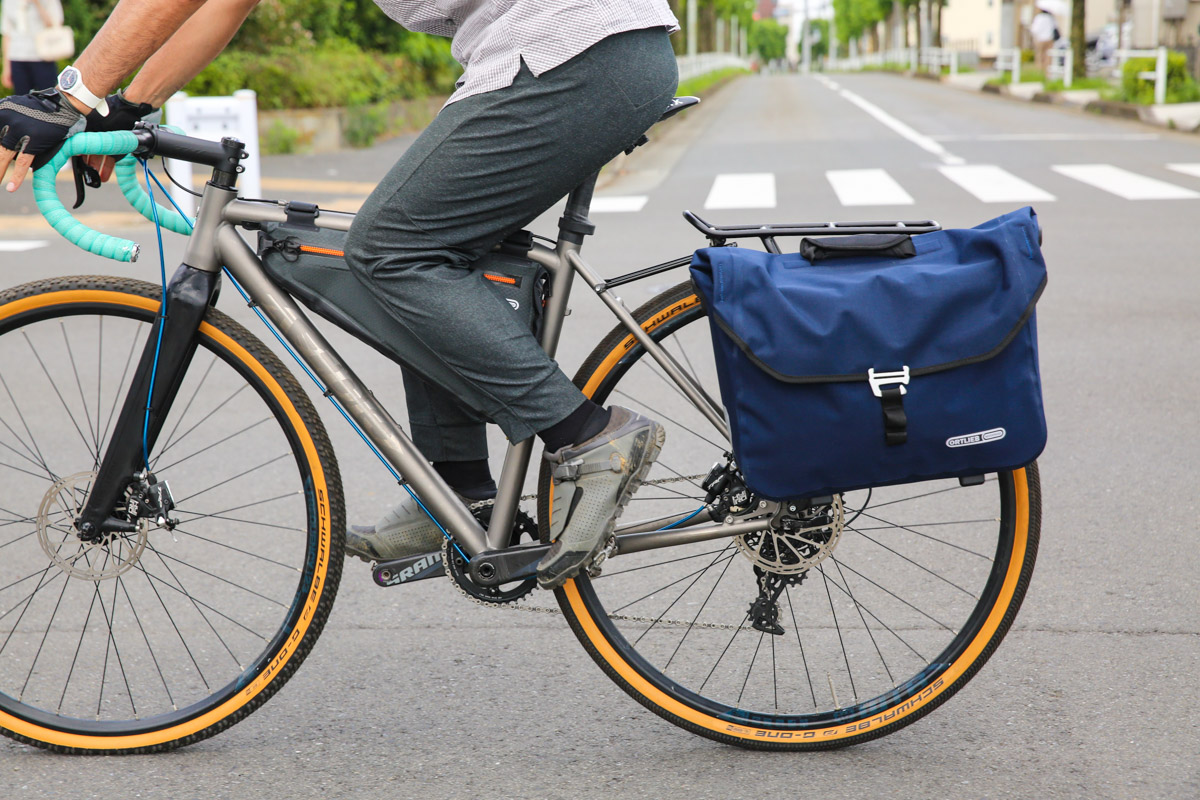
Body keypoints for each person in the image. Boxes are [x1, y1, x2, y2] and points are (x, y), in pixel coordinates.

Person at [0, 0, 679, 590]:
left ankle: (588, 437)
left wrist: (69, 98)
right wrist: (128, 105)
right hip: (575, 52)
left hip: (570, 52)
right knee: (427, 246)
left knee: (391, 249)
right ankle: (458, 485)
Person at [1, 0, 64, 95]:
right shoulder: (8, 1)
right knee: (21, 101)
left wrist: (37, 3)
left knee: (49, 98)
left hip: (42, 57)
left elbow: (55, 24)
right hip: (17, 58)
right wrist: (7, 68)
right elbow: (7, 35)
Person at [1029, 2, 1059, 75]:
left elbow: (1034, 30)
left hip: (1040, 40)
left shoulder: (1039, 18)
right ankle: (1047, 74)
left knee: (1040, 56)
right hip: (1049, 40)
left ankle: (1039, 73)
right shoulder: (1051, 18)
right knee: (1048, 57)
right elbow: (1055, 28)